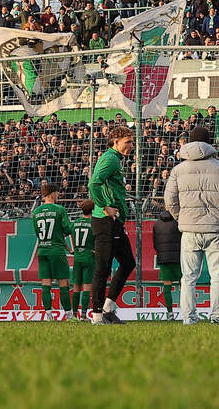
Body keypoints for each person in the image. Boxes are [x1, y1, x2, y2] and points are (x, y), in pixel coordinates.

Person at [163, 126, 219, 325]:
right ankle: (217, 316)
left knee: (188, 277)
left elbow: (169, 200)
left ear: (189, 142)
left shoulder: (178, 170)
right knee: (218, 275)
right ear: (210, 143)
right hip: (216, 228)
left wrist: (182, 218)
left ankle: (189, 318)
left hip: (189, 229)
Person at [88, 125, 137, 325]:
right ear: (115, 142)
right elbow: (93, 183)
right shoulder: (110, 159)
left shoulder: (115, 159)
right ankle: (97, 314)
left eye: (132, 142)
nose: (131, 146)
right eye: (128, 142)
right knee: (103, 268)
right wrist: (105, 206)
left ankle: (108, 307)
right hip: (105, 221)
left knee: (128, 263)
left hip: (114, 221)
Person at [31, 183, 73, 320]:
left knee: (46, 284)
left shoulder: (36, 212)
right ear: (53, 194)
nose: (58, 195)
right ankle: (69, 314)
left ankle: (48, 315)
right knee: (64, 283)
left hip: (43, 250)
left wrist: (67, 248)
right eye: (57, 193)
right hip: (56, 251)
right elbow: (67, 229)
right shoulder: (59, 209)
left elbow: (38, 233)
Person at [152, 210, 181, 321]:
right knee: (184, 285)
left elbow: (155, 243)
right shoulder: (179, 221)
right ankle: (187, 311)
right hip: (178, 257)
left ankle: (170, 313)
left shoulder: (157, 223)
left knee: (167, 286)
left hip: (164, 258)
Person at [71, 199, 96, 321]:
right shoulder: (94, 223)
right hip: (89, 256)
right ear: (93, 209)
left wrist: (74, 247)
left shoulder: (75, 222)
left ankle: (74, 315)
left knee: (76, 287)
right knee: (87, 287)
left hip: (77, 256)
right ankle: (84, 315)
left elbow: (71, 234)